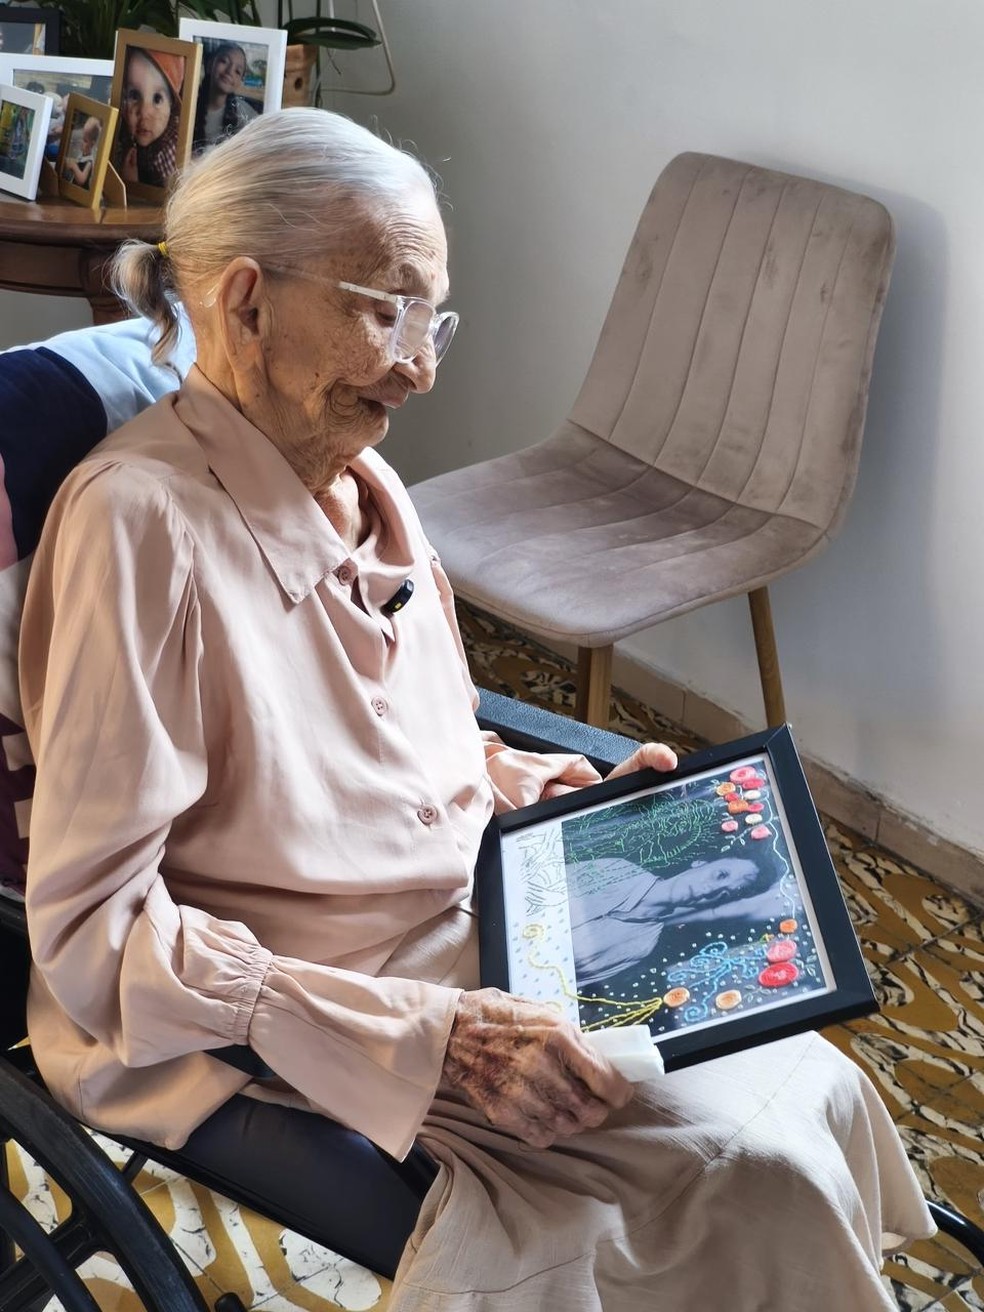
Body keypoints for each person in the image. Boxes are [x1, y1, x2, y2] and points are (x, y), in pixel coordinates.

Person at [20, 108, 934, 1310]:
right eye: (384, 308)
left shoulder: (367, 480)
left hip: (476, 915)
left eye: (433, 316)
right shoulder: (140, 528)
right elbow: (93, 932)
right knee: (739, 1170)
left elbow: (417, 749)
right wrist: (429, 1034)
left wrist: (571, 803)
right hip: (311, 995)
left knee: (793, 1066)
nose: (421, 364)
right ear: (245, 303)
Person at [568, 853, 777, 984]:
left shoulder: (641, 945)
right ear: (700, 862)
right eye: (721, 875)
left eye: (724, 893)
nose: (710, 890)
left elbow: (569, 986)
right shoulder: (614, 869)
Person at [113, 46, 184, 190]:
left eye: (157, 99)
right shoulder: (121, 133)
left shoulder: (172, 150)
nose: (144, 113)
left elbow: (172, 201)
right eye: (134, 96)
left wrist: (133, 185)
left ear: (171, 104)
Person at [192, 40, 258, 153]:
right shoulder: (188, 101)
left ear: (239, 82)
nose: (229, 71)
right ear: (209, 65)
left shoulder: (245, 113)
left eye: (237, 71)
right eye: (224, 61)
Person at [62, 115, 101, 189]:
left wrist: (74, 167)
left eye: (85, 141)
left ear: (92, 144)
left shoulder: (89, 161)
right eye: (82, 139)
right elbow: (78, 163)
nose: (82, 142)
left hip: (81, 191)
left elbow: (82, 180)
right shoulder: (82, 156)